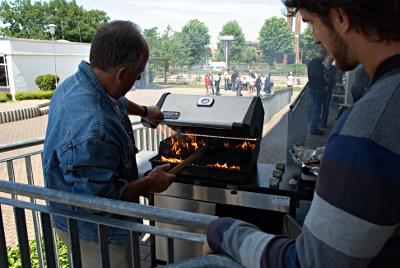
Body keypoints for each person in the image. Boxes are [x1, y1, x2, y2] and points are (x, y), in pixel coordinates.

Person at [169, 1, 400, 267]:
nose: (314, 38)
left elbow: (308, 263)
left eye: (311, 22)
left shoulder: (369, 124)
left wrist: (224, 231)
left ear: (340, 17)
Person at [42, 21, 176, 268]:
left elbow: (113, 99)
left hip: (69, 218)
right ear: (122, 74)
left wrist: (144, 111)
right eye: (135, 77)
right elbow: (102, 199)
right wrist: (150, 183)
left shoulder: (75, 84)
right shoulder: (94, 128)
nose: (135, 82)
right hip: (98, 234)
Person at [307, 48, 327, 135]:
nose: (324, 58)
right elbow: (319, 76)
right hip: (318, 89)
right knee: (317, 109)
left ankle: (311, 126)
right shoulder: (319, 64)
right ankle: (313, 129)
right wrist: (325, 84)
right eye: (324, 55)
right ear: (321, 55)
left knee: (313, 107)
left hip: (311, 87)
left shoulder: (311, 62)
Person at [320, 54, 338, 128]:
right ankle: (317, 122)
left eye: (331, 59)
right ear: (325, 59)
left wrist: (329, 86)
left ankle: (323, 123)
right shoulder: (321, 68)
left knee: (326, 107)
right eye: (328, 58)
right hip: (320, 90)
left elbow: (335, 79)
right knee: (318, 107)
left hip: (328, 90)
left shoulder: (334, 69)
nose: (330, 60)